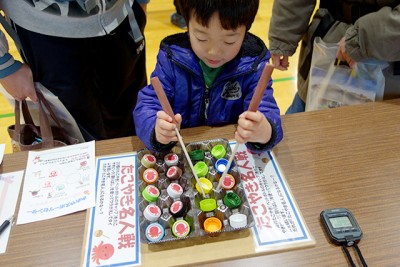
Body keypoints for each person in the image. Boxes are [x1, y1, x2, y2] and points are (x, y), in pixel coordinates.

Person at [134, 0, 283, 153]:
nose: (214, 52)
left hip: (227, 151)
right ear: (187, 23)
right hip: (181, 150)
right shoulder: (172, 57)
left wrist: (265, 131)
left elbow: (266, 108)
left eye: (229, 41)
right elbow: (147, 104)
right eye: (201, 38)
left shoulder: (253, 64)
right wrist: (156, 130)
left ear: (246, 31)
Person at [0, 0, 149, 141]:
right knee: (78, 142)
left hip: (122, 16)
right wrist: (4, 65)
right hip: (45, 31)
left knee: (136, 124)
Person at [268, 0, 400, 114]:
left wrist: (362, 38)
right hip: (329, 45)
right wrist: (282, 36)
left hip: (390, 68)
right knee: (294, 135)